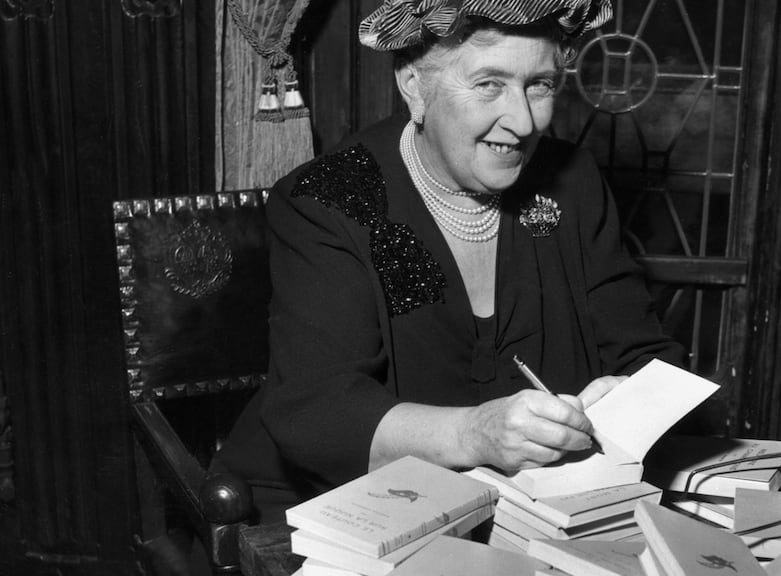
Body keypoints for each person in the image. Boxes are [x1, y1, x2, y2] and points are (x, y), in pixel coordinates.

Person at [215, 0, 686, 526]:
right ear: (415, 85)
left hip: (517, 513)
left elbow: (646, 351)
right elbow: (320, 414)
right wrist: (478, 433)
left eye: (541, 85)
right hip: (337, 511)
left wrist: (632, 402)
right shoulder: (327, 202)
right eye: (489, 84)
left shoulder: (572, 183)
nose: (524, 120)